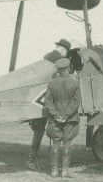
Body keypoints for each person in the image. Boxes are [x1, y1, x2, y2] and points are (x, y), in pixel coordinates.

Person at [27, 39, 71, 170]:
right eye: (65, 53)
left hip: (35, 100)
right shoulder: (58, 63)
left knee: (38, 131)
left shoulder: (46, 58)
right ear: (63, 50)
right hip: (45, 102)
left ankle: (34, 160)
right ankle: (33, 161)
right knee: (43, 131)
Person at [44, 58, 81, 178]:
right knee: (67, 143)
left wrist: (56, 115)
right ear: (68, 68)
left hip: (55, 119)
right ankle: (65, 171)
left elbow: (47, 103)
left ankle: (54, 171)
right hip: (70, 118)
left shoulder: (51, 83)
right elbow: (76, 102)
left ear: (58, 70)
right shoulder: (75, 83)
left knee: (56, 143)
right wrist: (65, 116)